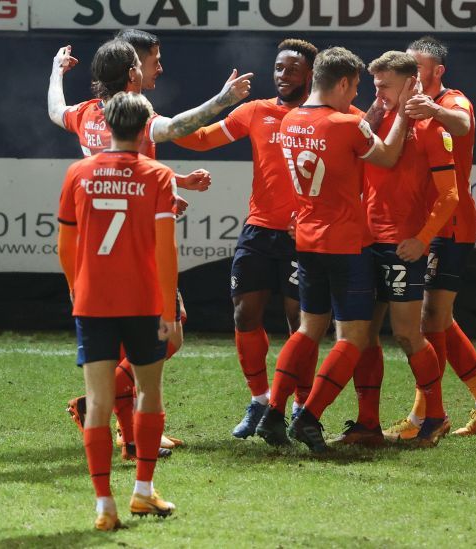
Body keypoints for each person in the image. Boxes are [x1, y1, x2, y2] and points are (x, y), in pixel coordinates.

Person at [48, 37, 252, 453]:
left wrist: (55, 70)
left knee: (132, 344)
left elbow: (62, 116)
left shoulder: (86, 115)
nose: (156, 69)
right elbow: (178, 128)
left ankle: (132, 436)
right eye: (151, 63)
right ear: (131, 72)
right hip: (137, 247)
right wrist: (223, 99)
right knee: (167, 337)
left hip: (95, 251)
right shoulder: (138, 117)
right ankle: (99, 408)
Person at [254, 46, 414, 452]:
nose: (356, 96)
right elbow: (389, 155)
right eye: (355, 87)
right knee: (354, 337)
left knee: (309, 329)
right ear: (341, 82)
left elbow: (354, 131)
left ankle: (274, 413)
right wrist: (406, 114)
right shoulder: (346, 124)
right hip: (346, 243)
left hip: (306, 240)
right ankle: (308, 417)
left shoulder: (289, 120)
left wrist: (371, 116)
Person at [174, 38, 319, 439]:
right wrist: (157, 122)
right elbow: (199, 138)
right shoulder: (256, 111)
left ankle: (299, 407)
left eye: (292, 69)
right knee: (244, 314)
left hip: (305, 236)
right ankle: (259, 400)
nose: (282, 75)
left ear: (310, 74)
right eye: (278, 68)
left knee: (300, 323)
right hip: (258, 230)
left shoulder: (331, 115)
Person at [57, 92, 179, 529]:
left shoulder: (78, 173)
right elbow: (166, 249)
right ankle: (143, 491)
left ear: (106, 125)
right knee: (148, 393)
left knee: (99, 402)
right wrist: (168, 307)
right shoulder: (159, 176)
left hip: (93, 301)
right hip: (143, 301)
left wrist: (77, 289)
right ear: (145, 128)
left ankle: (104, 505)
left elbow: (65, 246)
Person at [382, 36, 476, 441]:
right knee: (437, 318)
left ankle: (427, 415)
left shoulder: (452, 102)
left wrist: (431, 108)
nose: (411, 76)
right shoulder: (399, 108)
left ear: (437, 72)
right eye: (407, 68)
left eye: (418, 69)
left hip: (448, 223)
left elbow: (464, 123)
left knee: (430, 318)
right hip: (418, 224)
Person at [335, 51, 459, 449]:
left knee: (408, 334)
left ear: (410, 83)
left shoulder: (429, 127)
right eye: (374, 86)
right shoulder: (373, 123)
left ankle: (435, 416)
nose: (378, 93)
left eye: (385, 86)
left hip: (403, 246)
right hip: (365, 243)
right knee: (364, 335)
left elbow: (451, 195)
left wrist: (422, 238)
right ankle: (367, 423)